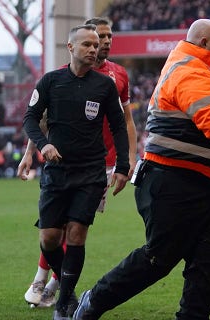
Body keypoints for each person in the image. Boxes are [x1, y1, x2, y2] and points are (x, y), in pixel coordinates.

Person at [71, 19, 210, 320]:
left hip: (204, 186)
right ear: (204, 43)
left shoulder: (208, 73)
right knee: (159, 258)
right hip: (172, 183)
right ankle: (94, 300)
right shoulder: (189, 70)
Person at [20, 16, 137, 309]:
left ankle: (65, 300)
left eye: (96, 45)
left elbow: (121, 125)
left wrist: (123, 165)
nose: (93, 49)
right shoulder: (50, 81)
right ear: (70, 46)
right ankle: (65, 287)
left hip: (91, 172)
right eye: (87, 44)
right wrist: (41, 146)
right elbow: (31, 119)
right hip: (56, 172)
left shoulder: (106, 85)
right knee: (49, 238)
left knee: (76, 233)